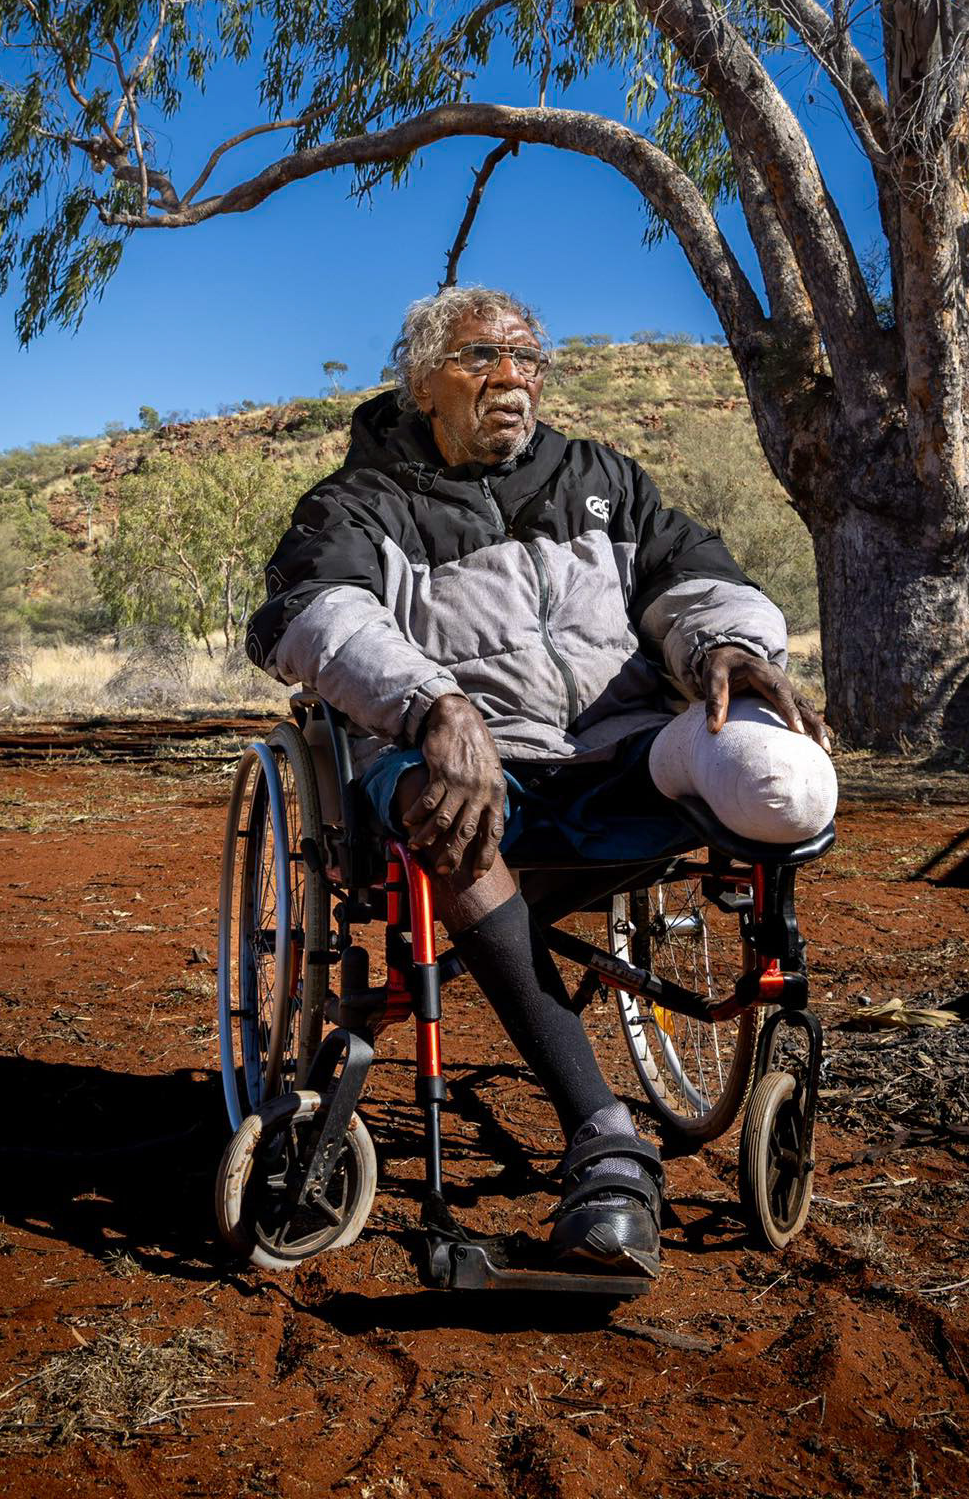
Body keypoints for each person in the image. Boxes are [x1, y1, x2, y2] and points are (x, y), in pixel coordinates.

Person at [247, 286, 836, 1279]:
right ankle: (603, 1134)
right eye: (484, 356)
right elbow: (312, 616)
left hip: (617, 747)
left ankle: (557, 955)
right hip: (464, 762)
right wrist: (432, 701)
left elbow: (689, 576)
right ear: (422, 377)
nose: (515, 378)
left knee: (785, 773)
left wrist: (727, 646)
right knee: (450, 812)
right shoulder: (357, 501)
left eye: (529, 357)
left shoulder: (600, 476)